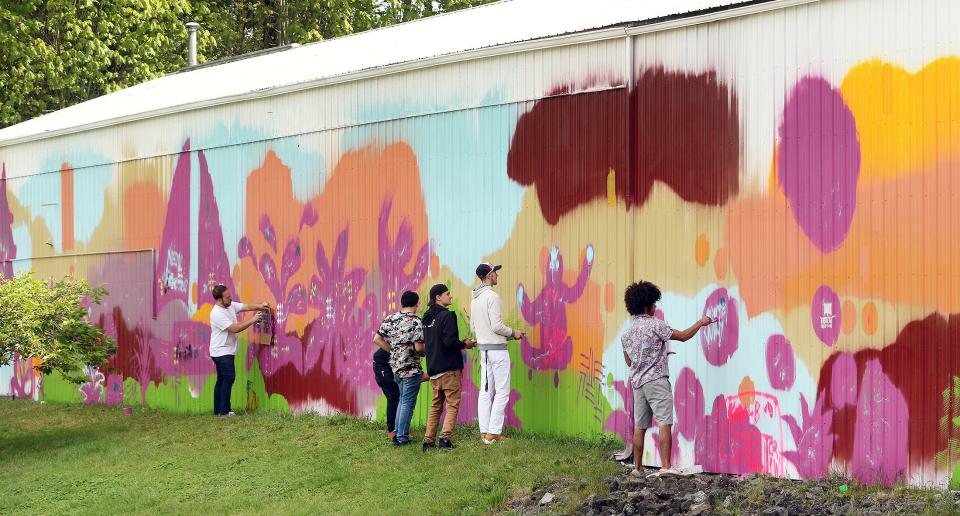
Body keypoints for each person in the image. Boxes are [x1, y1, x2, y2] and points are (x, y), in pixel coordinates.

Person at [620, 281, 714, 478]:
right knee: (664, 421)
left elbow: (629, 361)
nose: (656, 307)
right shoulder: (656, 325)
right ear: (646, 305)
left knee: (640, 426)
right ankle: (666, 466)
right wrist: (700, 323)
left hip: (638, 384)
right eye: (654, 304)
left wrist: (649, 358)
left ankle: (637, 469)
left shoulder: (626, 333)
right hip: (656, 381)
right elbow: (682, 336)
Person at [470, 262, 524, 444]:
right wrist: (513, 333)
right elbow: (497, 326)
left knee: (485, 391)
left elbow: (474, 327)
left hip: (484, 350)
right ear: (489, 275)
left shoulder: (475, 299)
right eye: (495, 273)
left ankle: (485, 432)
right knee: (502, 391)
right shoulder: (492, 297)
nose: (497, 276)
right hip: (498, 352)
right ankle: (494, 432)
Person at [421, 283, 476, 451]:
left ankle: (428, 441)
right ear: (438, 297)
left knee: (436, 405)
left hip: (433, 368)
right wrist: (465, 344)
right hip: (448, 368)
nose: (450, 297)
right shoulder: (446, 316)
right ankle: (445, 439)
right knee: (452, 404)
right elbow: (449, 341)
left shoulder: (427, 317)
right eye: (447, 294)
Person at [374, 290, 425, 446]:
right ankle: (402, 437)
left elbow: (377, 339)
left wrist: (393, 351)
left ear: (402, 303)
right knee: (407, 402)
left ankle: (397, 433)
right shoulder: (416, 321)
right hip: (411, 367)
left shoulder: (390, 319)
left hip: (395, 367)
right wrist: (425, 352)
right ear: (417, 304)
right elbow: (419, 347)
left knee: (402, 400)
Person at [208, 284, 268, 416]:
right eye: (227, 297)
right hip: (221, 351)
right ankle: (225, 411)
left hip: (223, 350)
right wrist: (253, 319)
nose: (230, 299)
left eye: (229, 296)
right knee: (229, 378)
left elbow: (246, 306)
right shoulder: (217, 313)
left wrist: (260, 306)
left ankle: (218, 410)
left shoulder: (229, 305)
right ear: (219, 300)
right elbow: (234, 328)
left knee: (222, 379)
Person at [372, 343, 400, 439]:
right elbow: (376, 339)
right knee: (392, 396)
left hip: (388, 366)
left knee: (395, 397)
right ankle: (392, 430)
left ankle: (397, 429)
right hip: (381, 366)